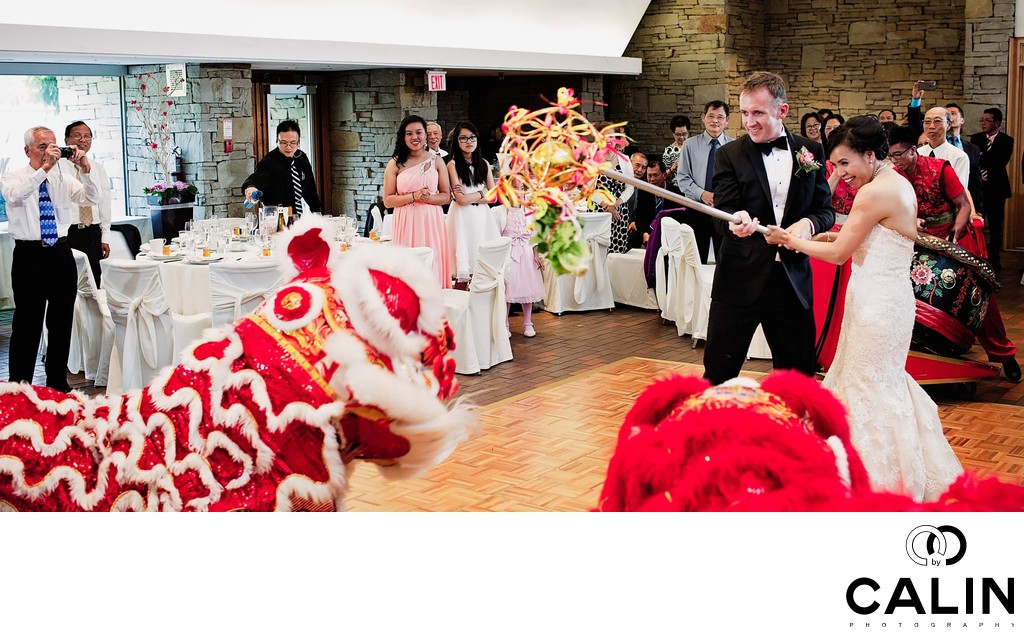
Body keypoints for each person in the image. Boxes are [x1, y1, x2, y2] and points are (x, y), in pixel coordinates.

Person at [766, 116, 963, 501]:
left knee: (865, 385)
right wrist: (824, 233)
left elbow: (839, 255)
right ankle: (895, 470)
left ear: (870, 156)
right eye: (835, 164)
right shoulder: (895, 183)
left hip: (876, 306)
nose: (840, 173)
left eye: (844, 164)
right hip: (886, 299)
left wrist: (791, 240)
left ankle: (867, 479)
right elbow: (865, 235)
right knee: (878, 382)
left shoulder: (872, 193)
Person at [702, 71, 834, 385]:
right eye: (745, 113)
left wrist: (807, 224)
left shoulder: (810, 152)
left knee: (797, 377)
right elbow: (722, 212)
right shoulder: (728, 155)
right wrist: (736, 222)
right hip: (739, 280)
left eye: (758, 112)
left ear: (782, 111)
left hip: (792, 281)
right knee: (718, 375)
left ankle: (791, 432)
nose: (750, 122)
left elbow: (825, 210)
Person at [887, 126, 1021, 382]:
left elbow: (963, 205)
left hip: (956, 236)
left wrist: (955, 233)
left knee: (978, 298)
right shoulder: (896, 175)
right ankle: (931, 352)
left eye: (898, 155)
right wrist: (913, 220)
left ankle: (1004, 354)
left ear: (913, 151)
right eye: (891, 156)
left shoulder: (941, 168)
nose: (895, 161)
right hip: (922, 240)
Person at [1, 126, 100, 392]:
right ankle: (19, 387)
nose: (49, 152)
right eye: (42, 146)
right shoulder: (13, 177)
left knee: (61, 322)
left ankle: (58, 382)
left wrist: (85, 169)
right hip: (29, 255)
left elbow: (92, 198)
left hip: (60, 252)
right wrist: (43, 170)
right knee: (27, 323)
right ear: (27, 150)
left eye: (53, 146)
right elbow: (15, 196)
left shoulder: (63, 179)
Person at [383, 114, 452, 289]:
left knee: (431, 268)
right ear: (402, 136)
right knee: (408, 272)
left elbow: (446, 196)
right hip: (406, 221)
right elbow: (388, 201)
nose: (415, 137)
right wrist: (413, 196)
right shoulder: (395, 164)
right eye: (409, 133)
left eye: (419, 132)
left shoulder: (436, 161)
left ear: (425, 135)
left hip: (431, 221)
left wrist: (428, 198)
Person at [676, 99, 733, 260]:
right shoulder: (690, 145)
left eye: (720, 117)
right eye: (711, 116)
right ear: (703, 117)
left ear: (727, 120)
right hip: (696, 208)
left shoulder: (734, 148)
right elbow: (682, 177)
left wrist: (722, 198)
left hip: (724, 211)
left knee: (725, 260)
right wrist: (702, 194)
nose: (715, 121)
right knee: (694, 259)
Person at [61, 120, 111, 286]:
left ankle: (93, 313)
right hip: (66, 233)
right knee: (67, 282)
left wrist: (105, 236)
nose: (83, 140)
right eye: (77, 136)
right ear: (66, 140)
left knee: (93, 282)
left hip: (92, 233)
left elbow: (104, 203)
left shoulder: (97, 168)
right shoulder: (56, 167)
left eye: (87, 136)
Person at [446, 121, 496, 284]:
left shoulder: (485, 164)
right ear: (457, 142)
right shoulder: (452, 165)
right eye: (464, 138)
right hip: (461, 216)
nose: (469, 142)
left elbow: (494, 197)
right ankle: (461, 304)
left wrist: (471, 196)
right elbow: (460, 200)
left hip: (482, 216)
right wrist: (483, 192)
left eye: (472, 137)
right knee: (462, 263)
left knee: (483, 263)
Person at [242, 120, 321, 216]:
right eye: (283, 143)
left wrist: (317, 214)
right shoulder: (269, 162)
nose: (288, 147)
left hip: (297, 218)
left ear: (298, 142)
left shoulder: (301, 158)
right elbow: (254, 179)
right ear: (277, 141)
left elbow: (310, 191)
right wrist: (251, 188)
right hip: (275, 217)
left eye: (293, 143)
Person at [970, 108, 1014, 269]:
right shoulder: (975, 138)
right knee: (976, 224)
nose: (983, 123)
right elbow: (974, 161)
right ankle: (976, 257)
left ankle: (994, 259)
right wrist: (981, 157)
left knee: (995, 226)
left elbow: (999, 162)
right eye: (982, 120)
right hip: (979, 190)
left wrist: (981, 156)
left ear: (997, 123)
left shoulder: (1007, 140)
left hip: (996, 189)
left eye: (987, 120)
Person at [500, 203, 544, 338]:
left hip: (526, 250)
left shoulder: (529, 210)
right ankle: (504, 323)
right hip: (508, 251)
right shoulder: (501, 211)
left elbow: (534, 233)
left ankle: (528, 322)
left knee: (527, 284)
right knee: (508, 287)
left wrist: (536, 254)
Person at [594, 122, 635, 254]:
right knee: (598, 253)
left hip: (619, 212)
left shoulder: (625, 159)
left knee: (617, 254)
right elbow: (588, 189)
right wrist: (607, 205)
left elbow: (630, 187)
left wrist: (616, 203)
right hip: (598, 211)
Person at [662, 114, 690, 184]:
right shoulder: (668, 151)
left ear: (688, 132)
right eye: (678, 134)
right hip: (676, 188)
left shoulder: (695, 147)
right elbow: (664, 176)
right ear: (673, 134)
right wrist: (673, 168)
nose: (681, 137)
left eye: (684, 134)